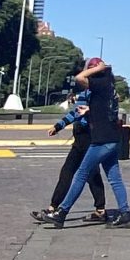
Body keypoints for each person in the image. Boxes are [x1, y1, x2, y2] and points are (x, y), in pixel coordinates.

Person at [36, 59, 130, 228]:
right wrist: (89, 110)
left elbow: (79, 78)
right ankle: (125, 213)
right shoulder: (109, 87)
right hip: (112, 138)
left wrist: (96, 68)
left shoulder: (99, 84)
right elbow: (105, 110)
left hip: (101, 139)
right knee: (114, 178)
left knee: (81, 174)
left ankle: (62, 213)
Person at [33, 88, 107, 226]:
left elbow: (104, 111)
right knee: (67, 171)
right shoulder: (84, 93)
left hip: (90, 137)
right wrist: (58, 126)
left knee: (92, 175)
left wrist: (90, 110)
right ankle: (52, 207)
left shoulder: (99, 93)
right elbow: (74, 113)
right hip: (79, 140)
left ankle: (100, 209)